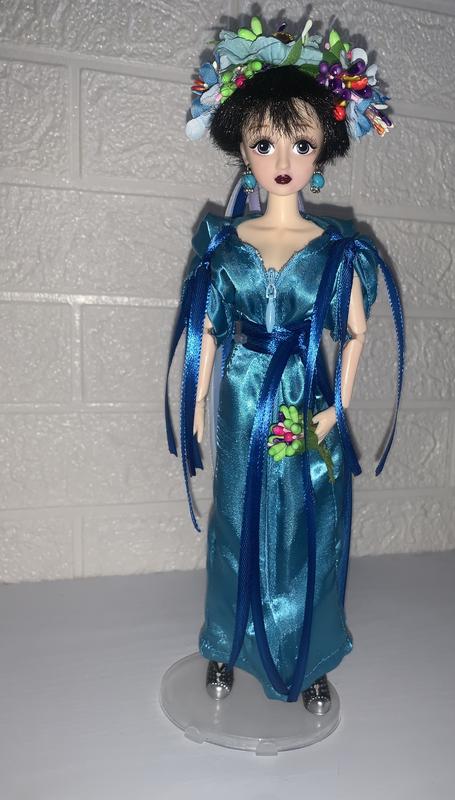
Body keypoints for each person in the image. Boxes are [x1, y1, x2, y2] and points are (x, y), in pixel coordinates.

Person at [165, 16, 405, 714]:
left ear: (322, 147)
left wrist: (339, 409)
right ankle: (226, 641)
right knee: (236, 520)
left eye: (299, 143)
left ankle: (309, 652)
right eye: (264, 142)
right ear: (242, 148)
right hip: (242, 397)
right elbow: (207, 327)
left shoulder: (335, 248)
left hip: (305, 394)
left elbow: (354, 331)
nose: (282, 158)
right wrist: (198, 400)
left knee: (308, 522)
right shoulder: (224, 243)